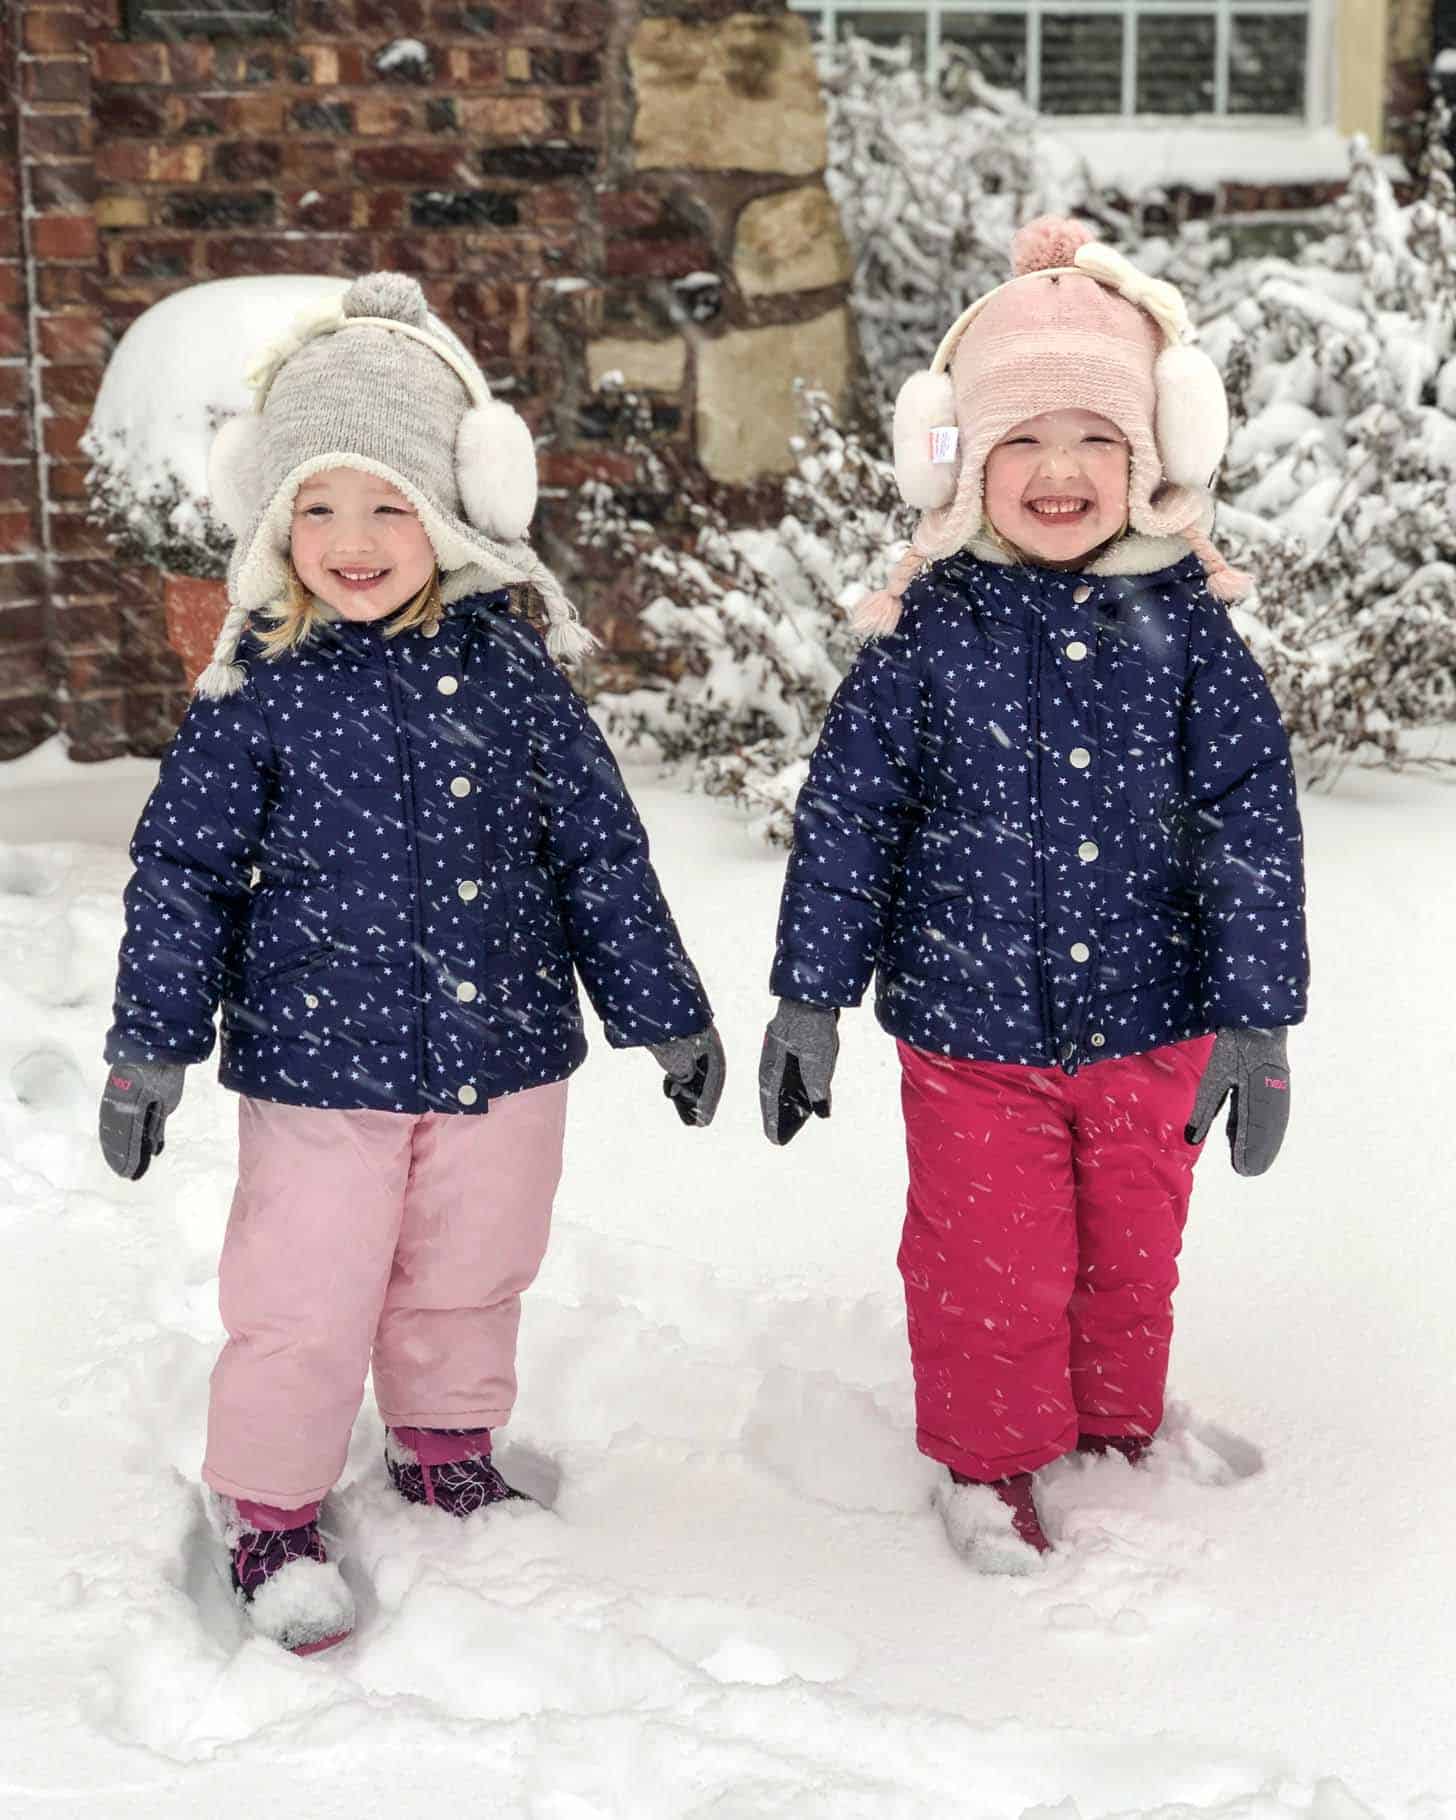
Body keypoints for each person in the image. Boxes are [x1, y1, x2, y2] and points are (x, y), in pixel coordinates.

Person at [99, 273, 724, 1653]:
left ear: (451, 508)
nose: (353, 539)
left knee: (471, 1271)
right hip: (319, 1066)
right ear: (272, 520)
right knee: (303, 1298)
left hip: (501, 1062)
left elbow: (600, 862)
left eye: (387, 503)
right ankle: (267, 1503)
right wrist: (150, 1045)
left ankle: (446, 1444)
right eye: (316, 506)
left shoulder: (515, 679)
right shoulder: (254, 688)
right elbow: (184, 875)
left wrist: (664, 1016)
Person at [758, 218, 1307, 1572]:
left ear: (1151, 458)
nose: (1059, 469)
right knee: (989, 1267)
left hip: (1156, 1018)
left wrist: (1260, 1018)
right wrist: (811, 996)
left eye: (1096, 439)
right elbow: (850, 819)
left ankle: (1119, 1433)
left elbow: (1251, 824)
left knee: (1131, 1254)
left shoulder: (1188, 630)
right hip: (969, 1030)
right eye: (1021, 440)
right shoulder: (926, 632)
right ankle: (992, 1463)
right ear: (957, 459)